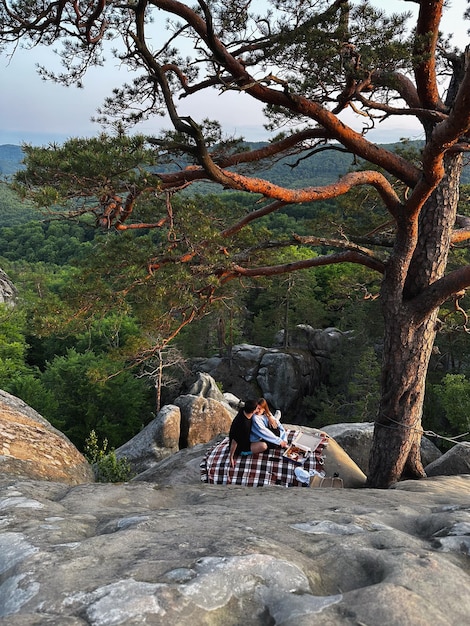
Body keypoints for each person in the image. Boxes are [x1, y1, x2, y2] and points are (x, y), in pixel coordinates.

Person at [228, 399, 259, 468]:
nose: (258, 410)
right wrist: (231, 457)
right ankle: (244, 453)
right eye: (257, 408)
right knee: (263, 446)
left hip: (247, 438)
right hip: (240, 447)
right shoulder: (242, 425)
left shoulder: (243, 410)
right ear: (253, 411)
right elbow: (234, 442)